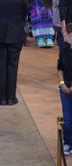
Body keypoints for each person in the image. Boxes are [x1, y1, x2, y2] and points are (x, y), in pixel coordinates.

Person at [57, 24, 72, 155]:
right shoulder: (64, 51)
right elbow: (59, 67)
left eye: (65, 33)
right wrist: (62, 83)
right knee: (67, 118)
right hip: (65, 88)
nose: (63, 35)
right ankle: (68, 142)